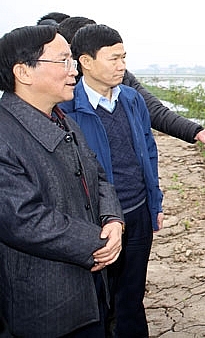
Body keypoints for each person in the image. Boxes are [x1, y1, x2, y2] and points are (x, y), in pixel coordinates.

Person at [0, 25, 124, 337]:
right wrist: (97, 243)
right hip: (47, 301)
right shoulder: (5, 134)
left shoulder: (62, 120)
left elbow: (96, 176)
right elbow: (22, 219)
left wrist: (112, 220)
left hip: (90, 288)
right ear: (24, 72)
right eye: (64, 61)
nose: (74, 72)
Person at [60, 24, 163, 337]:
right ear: (86, 62)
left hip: (138, 211)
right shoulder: (66, 108)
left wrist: (154, 200)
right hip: (98, 220)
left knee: (132, 296)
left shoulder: (131, 99)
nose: (122, 66)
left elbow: (148, 149)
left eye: (124, 58)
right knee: (98, 300)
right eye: (113, 59)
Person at [55, 14, 205, 144]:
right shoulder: (59, 91)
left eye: (122, 58)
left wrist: (194, 131)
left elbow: (154, 111)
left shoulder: (121, 81)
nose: (120, 65)